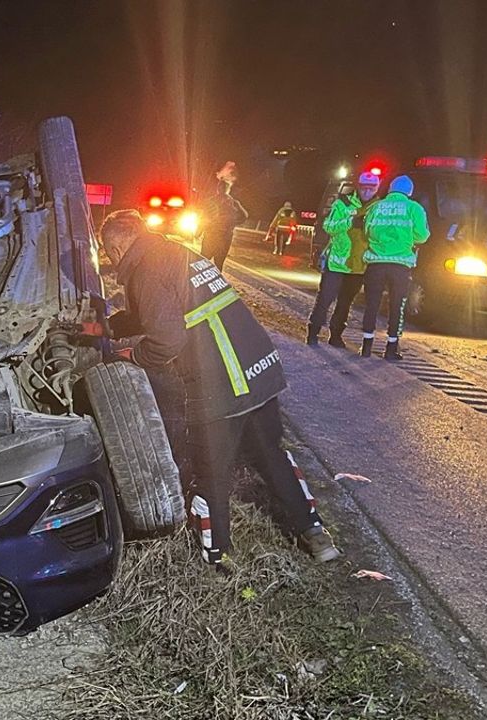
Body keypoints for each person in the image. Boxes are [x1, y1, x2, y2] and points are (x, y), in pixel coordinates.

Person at [99, 209, 340, 570]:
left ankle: (218, 557)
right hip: (257, 368)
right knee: (269, 453)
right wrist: (104, 327)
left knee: (210, 469)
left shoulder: (145, 270)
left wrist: (132, 355)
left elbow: (165, 339)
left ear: (115, 248)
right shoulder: (173, 253)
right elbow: (160, 311)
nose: (111, 260)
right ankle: (315, 535)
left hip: (220, 379)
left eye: (108, 253)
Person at [359, 174, 430, 360]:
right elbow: (422, 236)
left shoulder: (376, 207)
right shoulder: (414, 208)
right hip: (400, 266)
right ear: (409, 191)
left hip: (375, 263)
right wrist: (406, 240)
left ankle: (366, 347)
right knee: (397, 306)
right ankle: (391, 349)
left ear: (390, 189)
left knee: (371, 304)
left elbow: (366, 233)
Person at [307, 172, 381, 347]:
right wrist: (350, 222)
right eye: (364, 187)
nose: (367, 191)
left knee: (345, 303)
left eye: (371, 188)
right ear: (358, 186)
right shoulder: (343, 203)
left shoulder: (378, 208)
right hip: (337, 263)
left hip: (359, 266)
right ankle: (313, 332)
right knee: (325, 299)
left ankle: (336, 335)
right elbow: (328, 226)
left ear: (377, 188)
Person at [200, 161, 249, 272]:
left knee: (203, 261)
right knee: (219, 264)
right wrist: (232, 224)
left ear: (218, 189)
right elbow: (244, 216)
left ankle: (200, 285)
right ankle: (217, 286)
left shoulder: (211, 201)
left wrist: (199, 231)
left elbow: (203, 218)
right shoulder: (234, 202)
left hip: (211, 236)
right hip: (225, 237)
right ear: (228, 189)